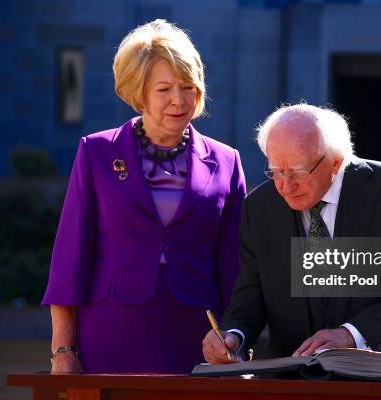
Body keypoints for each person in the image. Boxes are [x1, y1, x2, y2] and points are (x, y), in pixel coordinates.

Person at [43, 19, 246, 374]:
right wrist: (63, 349)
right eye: (164, 89)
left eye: (188, 87)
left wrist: (238, 335)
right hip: (111, 330)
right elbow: (70, 256)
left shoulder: (227, 160)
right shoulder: (96, 152)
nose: (179, 101)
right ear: (139, 92)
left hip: (196, 337)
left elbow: (236, 262)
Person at [202, 104, 381, 364]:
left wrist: (351, 335)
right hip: (295, 377)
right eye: (275, 171)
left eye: (298, 172)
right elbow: (250, 297)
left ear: (336, 162)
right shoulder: (259, 207)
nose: (285, 186)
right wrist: (234, 337)